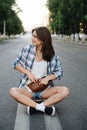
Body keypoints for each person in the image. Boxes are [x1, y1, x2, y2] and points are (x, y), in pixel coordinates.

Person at [9, 26, 69, 116]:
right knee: (13, 91)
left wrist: (48, 78)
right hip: (28, 89)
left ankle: (35, 107)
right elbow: (15, 64)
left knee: (65, 91)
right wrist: (28, 73)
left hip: (45, 90)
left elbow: (60, 72)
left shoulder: (52, 56)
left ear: (43, 39)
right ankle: (42, 108)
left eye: (35, 37)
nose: (32, 38)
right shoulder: (27, 49)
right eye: (32, 36)